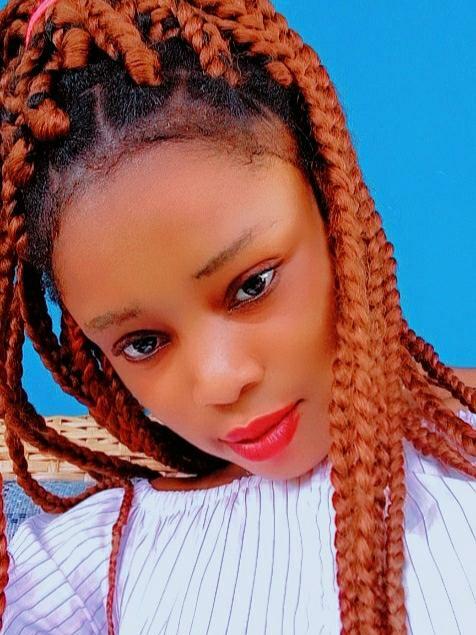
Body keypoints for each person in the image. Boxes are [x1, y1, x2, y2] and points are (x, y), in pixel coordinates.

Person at [0, 0, 474, 633]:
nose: (221, 380)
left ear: (335, 210)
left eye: (253, 286)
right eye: (143, 343)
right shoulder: (91, 565)